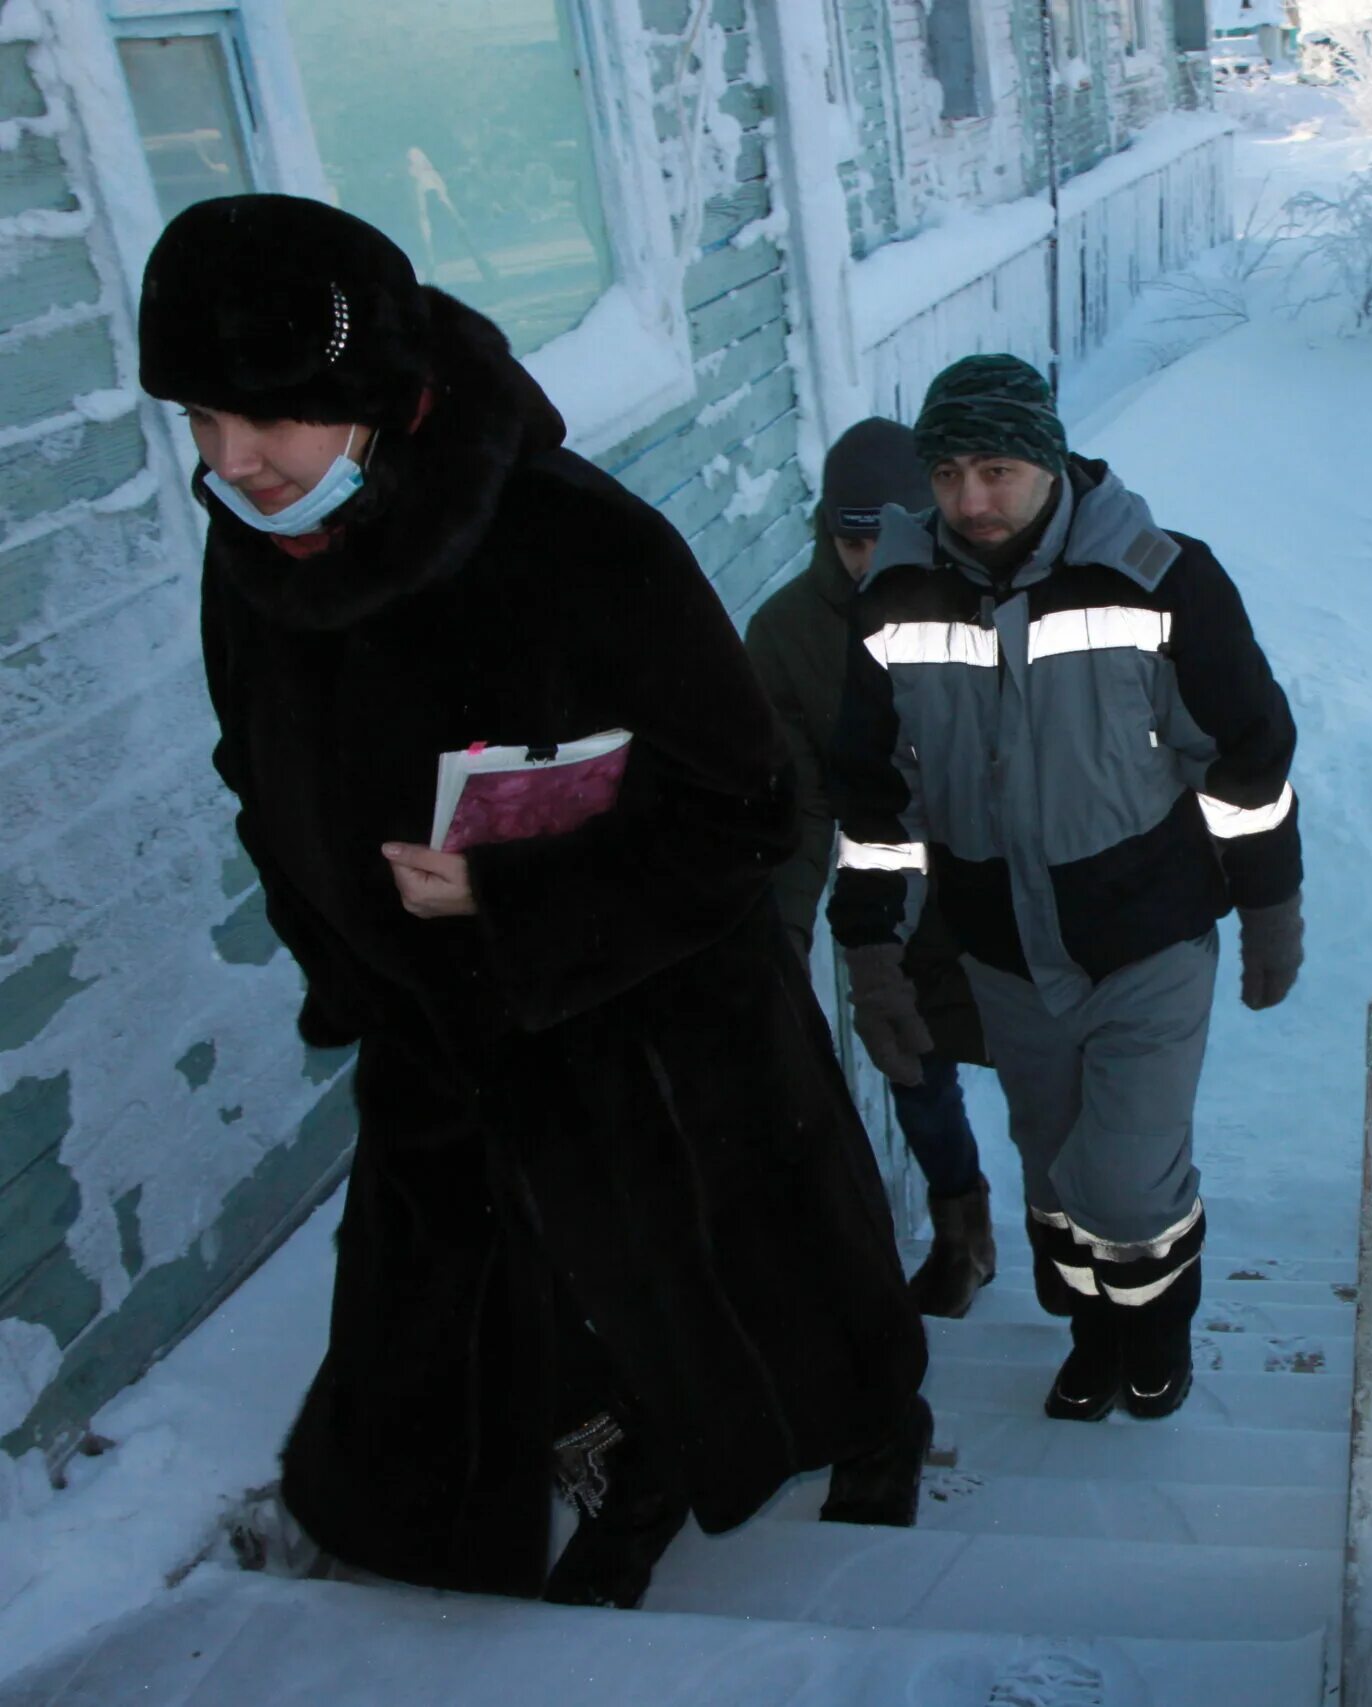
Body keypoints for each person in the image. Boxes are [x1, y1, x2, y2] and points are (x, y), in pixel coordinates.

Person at [140, 195, 929, 1611]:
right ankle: (607, 1481)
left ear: (374, 399)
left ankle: (851, 1434)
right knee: (472, 1327)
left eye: (271, 421)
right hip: (436, 1038)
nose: (233, 461)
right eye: (202, 419)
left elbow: (745, 805)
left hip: (651, 1024)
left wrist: (508, 896)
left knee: (745, 1295)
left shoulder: (573, 541)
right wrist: (348, 954)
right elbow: (255, 765)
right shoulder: (254, 550)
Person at [824, 355, 1304, 1424]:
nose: (971, 501)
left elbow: (1247, 758)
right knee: (1052, 1178)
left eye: (996, 469)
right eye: (948, 475)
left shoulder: (1160, 576)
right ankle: (1092, 1334)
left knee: (1126, 1185)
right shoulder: (893, 603)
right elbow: (872, 809)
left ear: (1045, 461)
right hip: (1001, 951)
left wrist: (1271, 908)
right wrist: (871, 956)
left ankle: (1156, 1327)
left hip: (1149, 937)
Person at [744, 419, 998, 1318]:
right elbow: (799, 797)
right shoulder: (784, 634)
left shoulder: (986, 597)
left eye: (882, 539)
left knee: (1052, 1070)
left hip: (1001, 886)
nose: (865, 562)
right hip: (887, 900)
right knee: (916, 1077)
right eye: (850, 540)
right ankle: (963, 1232)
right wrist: (786, 923)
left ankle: (1082, 1238)